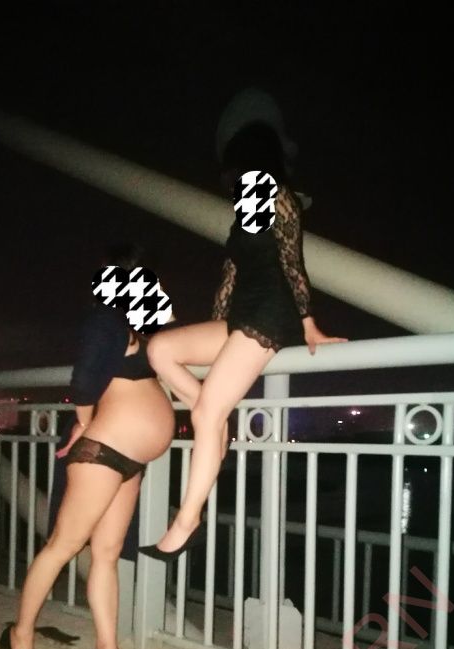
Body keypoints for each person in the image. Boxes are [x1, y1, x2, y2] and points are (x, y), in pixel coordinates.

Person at [140, 89, 347, 561]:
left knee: (207, 415)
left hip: (271, 311)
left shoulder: (279, 197)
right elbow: (232, 272)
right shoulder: (248, 202)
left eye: (235, 164)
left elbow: (292, 262)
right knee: (161, 350)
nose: (231, 174)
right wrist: (219, 327)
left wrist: (308, 321)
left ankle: (186, 522)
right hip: (242, 313)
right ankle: (212, 416)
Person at [0, 244, 176, 649]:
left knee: (108, 553)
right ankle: (20, 633)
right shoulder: (104, 320)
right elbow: (83, 382)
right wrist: (84, 424)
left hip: (130, 458)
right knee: (63, 545)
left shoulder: (143, 325)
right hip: (104, 452)